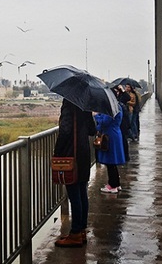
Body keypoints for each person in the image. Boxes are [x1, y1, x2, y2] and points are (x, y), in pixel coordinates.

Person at [53, 99, 97, 247]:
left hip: (72, 154)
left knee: (74, 194)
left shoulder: (68, 104)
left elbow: (65, 131)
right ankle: (82, 230)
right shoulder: (85, 106)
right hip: (84, 153)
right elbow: (92, 130)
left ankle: (75, 233)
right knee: (82, 192)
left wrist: (57, 153)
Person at [95, 99, 127, 193]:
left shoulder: (110, 109)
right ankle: (116, 183)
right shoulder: (117, 107)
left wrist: (96, 115)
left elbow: (105, 122)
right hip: (115, 134)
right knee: (113, 162)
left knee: (110, 162)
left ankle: (112, 185)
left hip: (109, 136)